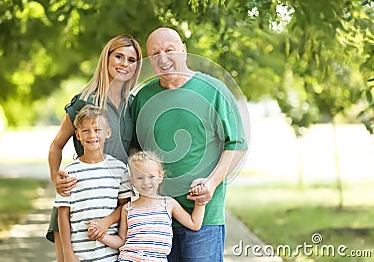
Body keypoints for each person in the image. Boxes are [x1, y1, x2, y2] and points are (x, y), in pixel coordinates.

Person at [130, 27, 248, 261]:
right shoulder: (143, 96)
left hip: (204, 215)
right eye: (155, 54)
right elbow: (135, 149)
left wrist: (212, 184)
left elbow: (237, 144)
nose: (163, 58)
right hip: (156, 216)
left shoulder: (214, 90)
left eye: (169, 50)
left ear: (183, 50)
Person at [46, 35, 142, 262]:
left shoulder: (133, 104)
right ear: (106, 58)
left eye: (131, 60)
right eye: (119, 56)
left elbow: (134, 153)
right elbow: (56, 145)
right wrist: (55, 177)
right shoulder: (84, 101)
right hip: (80, 207)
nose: (124, 64)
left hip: (114, 206)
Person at [87, 150, 206, 261]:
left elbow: (194, 224)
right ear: (132, 180)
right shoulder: (128, 209)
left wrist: (200, 203)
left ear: (160, 176)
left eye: (151, 177)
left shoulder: (168, 204)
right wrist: (101, 236)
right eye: (140, 178)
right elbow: (121, 241)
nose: (146, 182)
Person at [54, 105, 133, 261]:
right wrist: (68, 253)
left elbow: (125, 205)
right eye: (86, 131)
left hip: (109, 254)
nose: (92, 135)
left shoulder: (119, 169)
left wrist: (106, 222)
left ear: (108, 133)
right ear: (77, 135)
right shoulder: (69, 172)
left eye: (97, 130)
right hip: (79, 253)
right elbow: (62, 214)